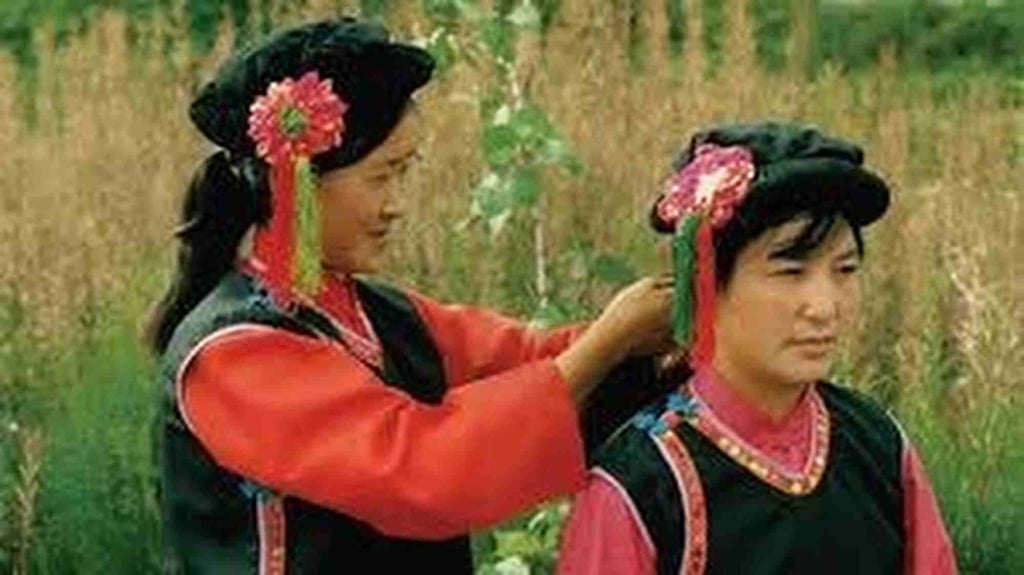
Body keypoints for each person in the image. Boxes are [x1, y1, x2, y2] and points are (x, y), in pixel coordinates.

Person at [146, 18, 676, 574]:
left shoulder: (381, 316)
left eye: (404, 174)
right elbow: (422, 471)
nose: (396, 204)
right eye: (383, 176)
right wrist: (610, 342)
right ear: (298, 181)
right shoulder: (234, 354)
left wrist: (667, 332)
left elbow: (527, 357)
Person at [557, 122, 958, 575]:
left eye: (844, 270)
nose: (825, 307)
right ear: (707, 282)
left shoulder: (879, 446)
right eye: (791, 272)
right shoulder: (642, 485)